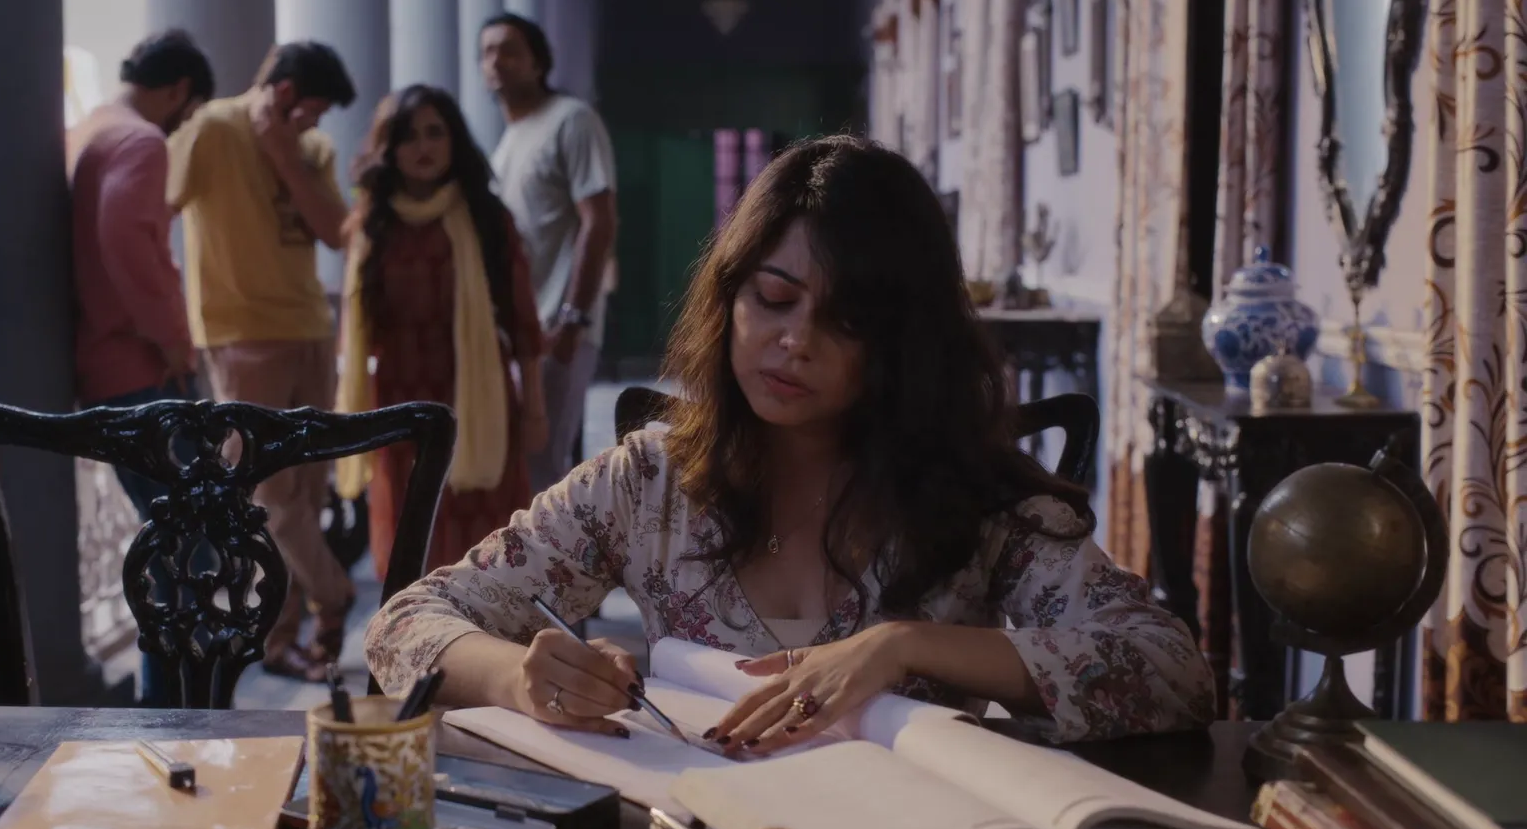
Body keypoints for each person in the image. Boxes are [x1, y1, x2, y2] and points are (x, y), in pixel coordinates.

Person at [366, 136, 1216, 749]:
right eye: (773, 299)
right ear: (729, 298)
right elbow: (406, 623)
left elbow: (1174, 673)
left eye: (846, 321)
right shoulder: (647, 485)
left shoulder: (978, 502)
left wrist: (904, 645)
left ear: (904, 344)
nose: (794, 342)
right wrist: (522, 678)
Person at [167, 41, 357, 682]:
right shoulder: (211, 129)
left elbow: (336, 232)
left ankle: (281, 641)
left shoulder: (309, 147)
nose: (316, 125)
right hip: (242, 335)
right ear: (284, 92)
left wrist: (283, 154)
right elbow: (156, 206)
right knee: (272, 497)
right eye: (312, 111)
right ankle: (334, 596)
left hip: (311, 328)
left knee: (306, 492)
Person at [333, 85, 546, 583]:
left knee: (485, 540)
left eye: (435, 133)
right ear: (389, 149)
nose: (423, 147)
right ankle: (415, 631)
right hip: (399, 401)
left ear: (455, 141)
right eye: (408, 136)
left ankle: (482, 631)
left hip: (476, 396)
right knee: (408, 535)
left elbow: (522, 321)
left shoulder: (487, 219)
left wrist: (535, 407)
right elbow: (359, 327)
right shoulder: (371, 223)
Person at [68, 29, 212, 516]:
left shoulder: (88, 130)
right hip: (143, 363)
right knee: (194, 524)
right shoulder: (141, 141)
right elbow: (124, 236)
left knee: (166, 523)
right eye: (188, 113)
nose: (181, 127)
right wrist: (170, 340)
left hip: (101, 362)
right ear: (179, 90)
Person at [478, 13, 619, 496]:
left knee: (542, 468)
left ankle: (558, 550)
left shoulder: (571, 120)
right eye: (487, 51)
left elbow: (598, 220)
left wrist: (573, 319)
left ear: (538, 62)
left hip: (559, 325)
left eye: (509, 49)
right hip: (521, 328)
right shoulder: (508, 140)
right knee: (525, 464)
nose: (496, 60)